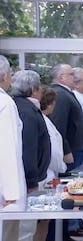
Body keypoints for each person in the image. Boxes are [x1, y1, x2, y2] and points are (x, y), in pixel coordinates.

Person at [11, 70, 51, 241]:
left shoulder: (23, 107)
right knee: (25, 229)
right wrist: (31, 180)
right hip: (28, 181)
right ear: (34, 89)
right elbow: (28, 147)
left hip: (29, 177)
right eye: (40, 87)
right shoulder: (26, 111)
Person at [33, 86, 67, 241]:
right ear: (51, 103)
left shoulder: (43, 120)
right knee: (42, 220)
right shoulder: (43, 122)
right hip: (47, 175)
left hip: (47, 173)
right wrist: (62, 166)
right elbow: (52, 152)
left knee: (44, 221)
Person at [0, 55, 27, 241]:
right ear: (4, 76)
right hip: (5, 189)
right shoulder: (5, 103)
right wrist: (12, 192)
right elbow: (8, 146)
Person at [48, 64, 83, 171]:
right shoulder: (60, 95)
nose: (74, 77)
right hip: (71, 151)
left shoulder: (65, 93)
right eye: (71, 74)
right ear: (61, 77)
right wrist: (66, 151)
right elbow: (58, 126)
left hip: (75, 149)